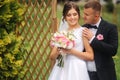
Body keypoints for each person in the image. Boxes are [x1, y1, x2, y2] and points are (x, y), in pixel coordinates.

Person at [48, 1, 94, 80]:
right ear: (65, 17)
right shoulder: (62, 33)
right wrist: (59, 50)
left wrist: (71, 51)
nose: (72, 17)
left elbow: (90, 56)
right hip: (61, 68)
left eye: (75, 14)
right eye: (69, 15)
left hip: (77, 68)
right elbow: (52, 57)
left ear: (78, 15)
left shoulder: (83, 31)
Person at [82, 1, 118, 80]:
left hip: (104, 75)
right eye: (83, 13)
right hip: (85, 74)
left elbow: (113, 50)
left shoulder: (110, 28)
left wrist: (93, 40)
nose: (83, 16)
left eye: (86, 14)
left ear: (96, 15)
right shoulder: (83, 28)